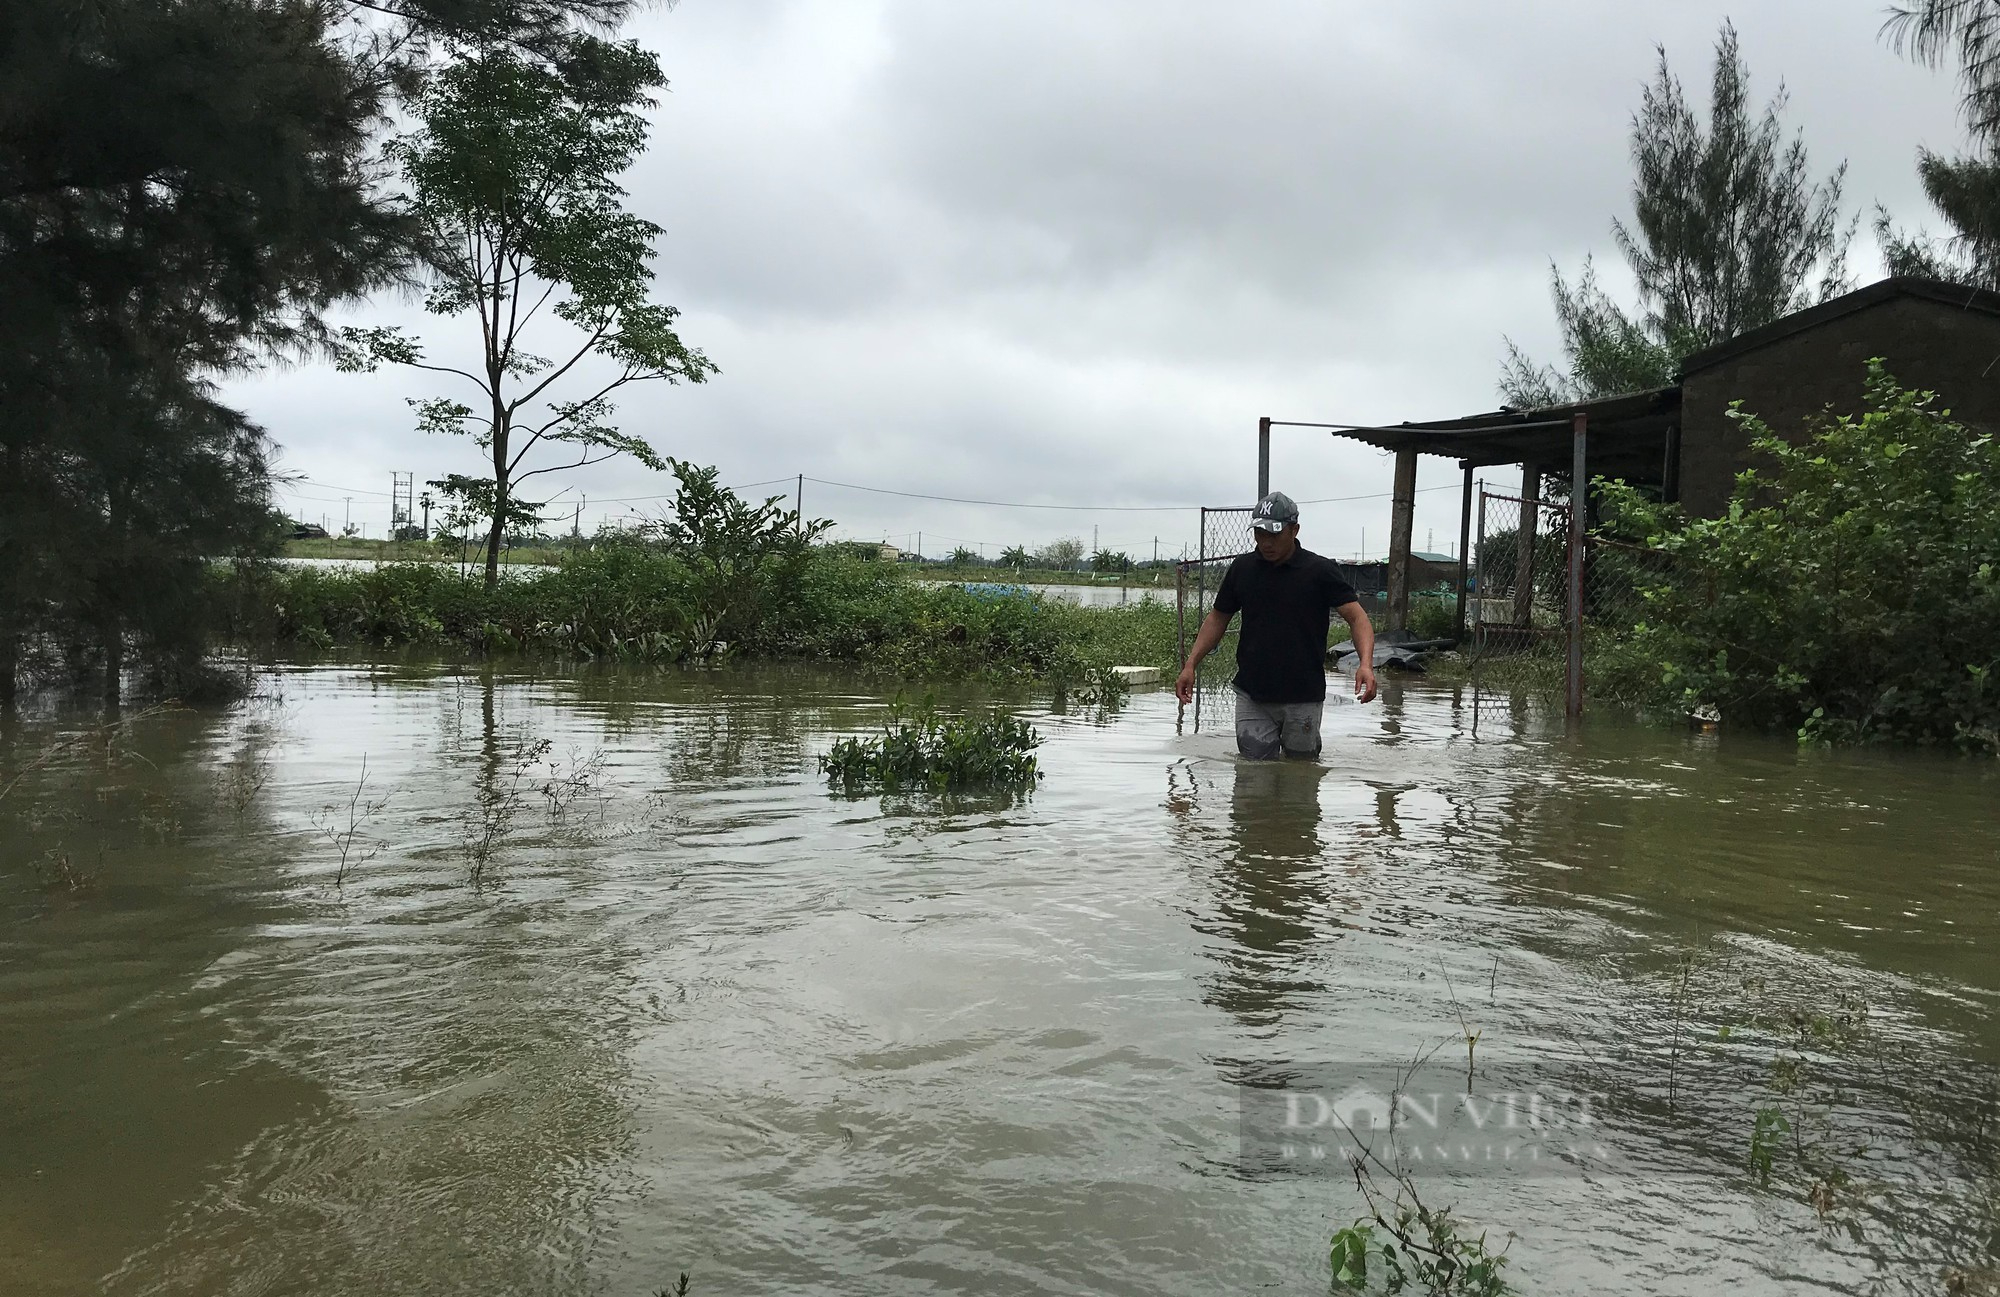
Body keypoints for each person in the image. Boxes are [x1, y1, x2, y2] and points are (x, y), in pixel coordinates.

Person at [1174, 491, 1377, 759]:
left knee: (1300, 772)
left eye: (1275, 534)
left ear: (1294, 530)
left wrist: (1365, 664)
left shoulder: (1319, 571)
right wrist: (1190, 665)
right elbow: (1217, 618)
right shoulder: (1242, 569)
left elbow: (1357, 617)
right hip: (1252, 693)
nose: (1266, 542)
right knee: (1252, 771)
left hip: (1303, 695)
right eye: (1260, 534)